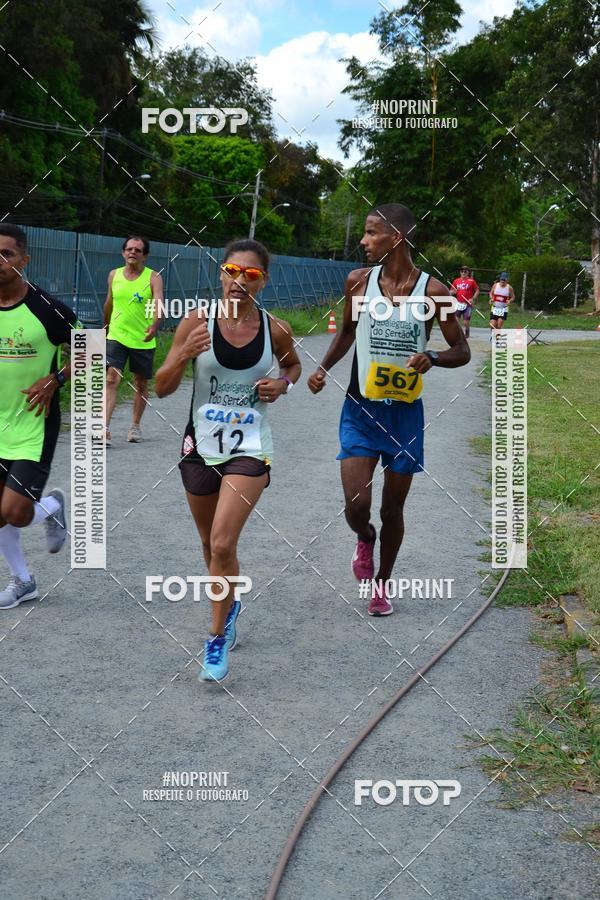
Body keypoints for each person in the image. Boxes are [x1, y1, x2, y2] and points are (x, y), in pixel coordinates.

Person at [307, 203, 470, 616]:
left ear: (395, 237)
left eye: (371, 232)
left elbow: (462, 350)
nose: (363, 241)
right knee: (357, 505)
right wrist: (323, 368)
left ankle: (381, 585)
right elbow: (346, 331)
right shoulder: (358, 283)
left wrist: (432, 356)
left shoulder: (435, 293)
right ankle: (364, 538)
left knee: (392, 508)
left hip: (404, 414)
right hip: (361, 408)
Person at [155, 239, 301, 682]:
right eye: (232, 271)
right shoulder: (196, 322)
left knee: (222, 542)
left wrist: (283, 385)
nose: (239, 281)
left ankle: (216, 638)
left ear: (263, 281)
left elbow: (291, 367)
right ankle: (230, 599)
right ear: (221, 274)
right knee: (209, 544)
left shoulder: (275, 329)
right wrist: (181, 353)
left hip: (250, 448)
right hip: (200, 446)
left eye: (250, 275)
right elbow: (161, 388)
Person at [0, 225, 75, 609]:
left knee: (10, 510)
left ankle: (50, 508)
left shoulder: (48, 308)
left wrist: (56, 378)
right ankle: (23, 580)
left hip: (33, 422)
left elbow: (93, 348)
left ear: (23, 261)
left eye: (6, 254)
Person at [104, 235, 163, 445]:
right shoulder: (114, 275)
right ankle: (104, 429)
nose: (132, 253)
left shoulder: (153, 277)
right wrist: (105, 326)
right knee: (111, 379)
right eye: (129, 249)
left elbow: (158, 303)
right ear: (123, 252)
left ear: (145, 256)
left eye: (138, 250)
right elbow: (109, 303)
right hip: (117, 335)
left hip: (142, 338)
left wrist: (155, 325)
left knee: (140, 383)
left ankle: (135, 426)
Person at [450, 265, 479, 339]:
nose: (463, 273)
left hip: (467, 304)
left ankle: (467, 331)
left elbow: (477, 290)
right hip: (458, 304)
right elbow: (451, 291)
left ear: (468, 272)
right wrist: (452, 292)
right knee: (456, 320)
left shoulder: (471, 281)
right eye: (461, 271)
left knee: (466, 322)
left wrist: (473, 298)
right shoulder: (456, 281)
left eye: (465, 271)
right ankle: (459, 334)